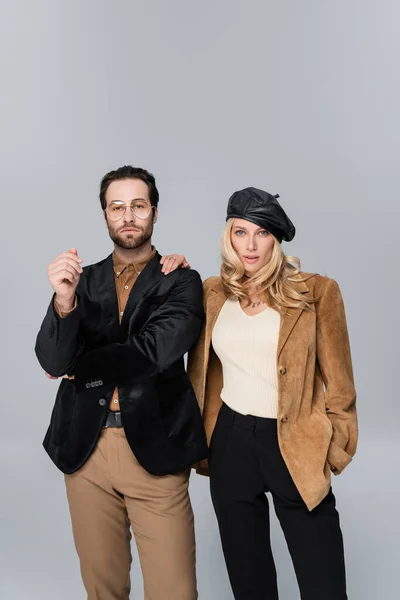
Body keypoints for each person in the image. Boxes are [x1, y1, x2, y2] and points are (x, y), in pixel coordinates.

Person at [35, 165, 208, 600]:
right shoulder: (80, 281)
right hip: (86, 453)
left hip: (155, 449)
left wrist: (83, 365)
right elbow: (52, 359)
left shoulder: (181, 280)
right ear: (105, 215)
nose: (128, 216)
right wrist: (63, 299)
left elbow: (155, 352)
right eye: (117, 207)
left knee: (174, 591)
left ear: (153, 212)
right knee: (103, 589)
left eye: (138, 205)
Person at [186, 187, 358, 600]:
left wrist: (333, 449)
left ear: (276, 239)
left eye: (261, 233)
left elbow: (340, 385)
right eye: (240, 232)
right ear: (228, 236)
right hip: (229, 441)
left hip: (295, 442)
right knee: (250, 583)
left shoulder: (317, 292)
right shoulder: (212, 294)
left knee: (324, 585)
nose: (250, 245)